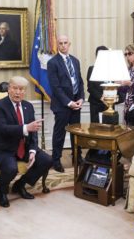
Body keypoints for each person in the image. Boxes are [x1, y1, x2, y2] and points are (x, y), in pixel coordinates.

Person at [0, 76, 53, 208]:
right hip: (2, 148)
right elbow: (1, 129)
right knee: (11, 168)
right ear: (9, 89)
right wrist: (26, 128)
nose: (17, 92)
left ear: (25, 91)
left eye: (21, 89)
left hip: (23, 146)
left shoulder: (28, 106)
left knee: (46, 160)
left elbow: (33, 131)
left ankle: (20, 185)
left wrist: (33, 150)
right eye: (15, 88)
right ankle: (2, 191)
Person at [47, 35, 84, 173]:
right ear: (57, 45)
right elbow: (55, 87)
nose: (63, 45)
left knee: (76, 133)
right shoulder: (53, 63)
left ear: (69, 44)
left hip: (76, 103)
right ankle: (56, 160)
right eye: (60, 43)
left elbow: (79, 82)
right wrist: (69, 103)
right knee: (59, 134)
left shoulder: (75, 61)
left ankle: (77, 157)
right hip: (62, 105)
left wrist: (81, 98)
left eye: (65, 43)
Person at [118, 44, 134, 126]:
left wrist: (130, 83)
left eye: (130, 53)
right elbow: (125, 90)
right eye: (126, 54)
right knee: (127, 129)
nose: (127, 56)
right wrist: (119, 85)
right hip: (127, 102)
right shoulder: (128, 69)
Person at [86, 46, 108, 123]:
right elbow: (90, 88)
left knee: (109, 128)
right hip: (95, 103)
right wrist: (101, 97)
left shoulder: (111, 69)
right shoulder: (91, 69)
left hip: (109, 103)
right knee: (95, 129)